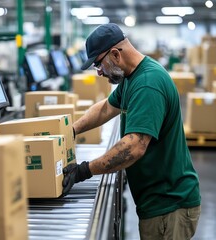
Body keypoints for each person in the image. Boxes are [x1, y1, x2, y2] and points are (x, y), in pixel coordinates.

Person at [62, 23, 201, 240]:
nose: (99, 72)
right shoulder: (131, 78)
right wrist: (71, 130)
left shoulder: (147, 84)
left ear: (115, 54)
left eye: (99, 64)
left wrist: (84, 170)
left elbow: (134, 147)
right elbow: (106, 108)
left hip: (169, 204)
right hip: (156, 200)